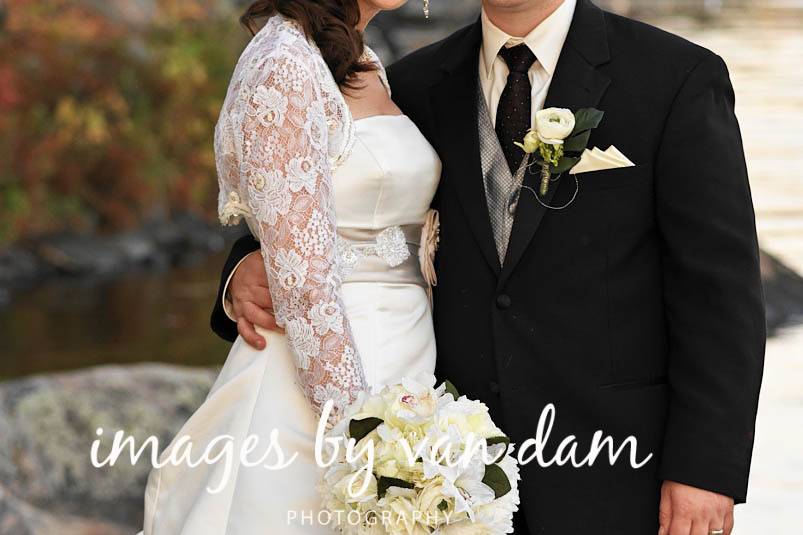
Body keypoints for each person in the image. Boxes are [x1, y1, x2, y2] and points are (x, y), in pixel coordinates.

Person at [214, 0, 767, 533]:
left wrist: (703, 469)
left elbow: (720, 293)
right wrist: (241, 269)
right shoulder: (414, 84)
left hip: (611, 468)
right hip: (448, 473)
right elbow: (310, 202)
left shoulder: (675, 77)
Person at [139, 0, 441, 532]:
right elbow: (303, 284)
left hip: (406, 356)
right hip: (325, 380)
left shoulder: (361, 57)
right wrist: (360, 436)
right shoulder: (283, 61)